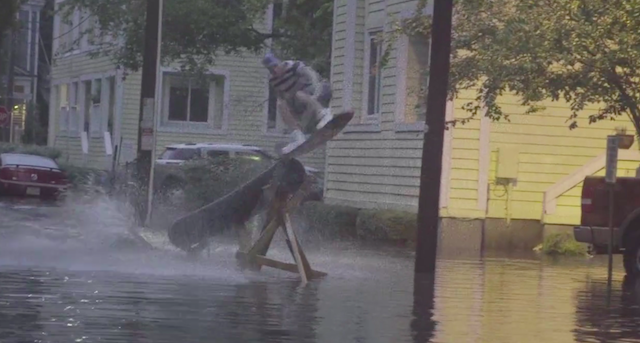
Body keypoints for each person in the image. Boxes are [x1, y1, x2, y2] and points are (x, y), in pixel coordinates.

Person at [263, 53, 334, 154]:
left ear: (279, 63)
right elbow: (282, 98)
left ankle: (323, 114)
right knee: (281, 103)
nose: (274, 71)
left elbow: (314, 79)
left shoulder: (295, 67)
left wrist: (315, 98)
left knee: (298, 94)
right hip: (301, 105)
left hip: (319, 92)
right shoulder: (273, 80)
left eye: (275, 67)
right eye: (271, 69)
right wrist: (295, 121)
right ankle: (297, 135)